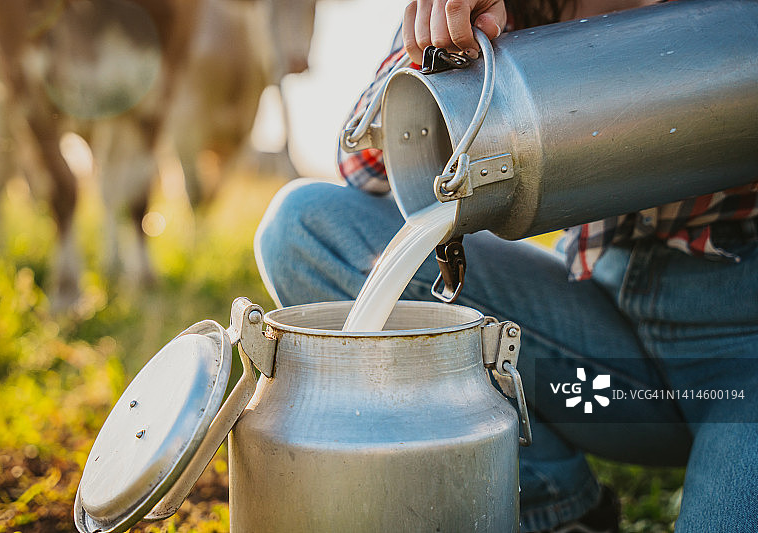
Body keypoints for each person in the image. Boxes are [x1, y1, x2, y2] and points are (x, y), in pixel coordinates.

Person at [254, 0, 758, 531]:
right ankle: (557, 503)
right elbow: (365, 165)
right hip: (603, 355)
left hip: (740, 351)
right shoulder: (515, 11)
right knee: (306, 229)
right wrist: (449, 39)